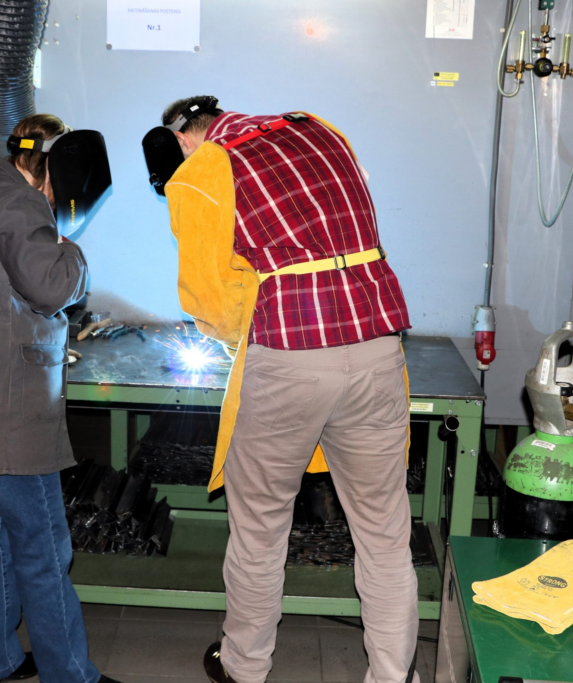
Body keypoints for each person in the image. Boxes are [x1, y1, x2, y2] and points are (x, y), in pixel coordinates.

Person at [158, 97, 419, 683]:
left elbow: (208, 299)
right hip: (377, 345)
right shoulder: (317, 126)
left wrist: (237, 332)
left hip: (291, 355)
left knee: (260, 528)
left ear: (183, 139)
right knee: (384, 533)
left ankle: (244, 667)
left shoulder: (203, 167)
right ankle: (393, 675)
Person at [0, 113, 117, 683]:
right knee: (44, 548)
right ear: (52, 170)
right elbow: (51, 286)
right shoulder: (19, 203)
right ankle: (71, 674)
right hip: (4, 417)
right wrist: (74, 253)